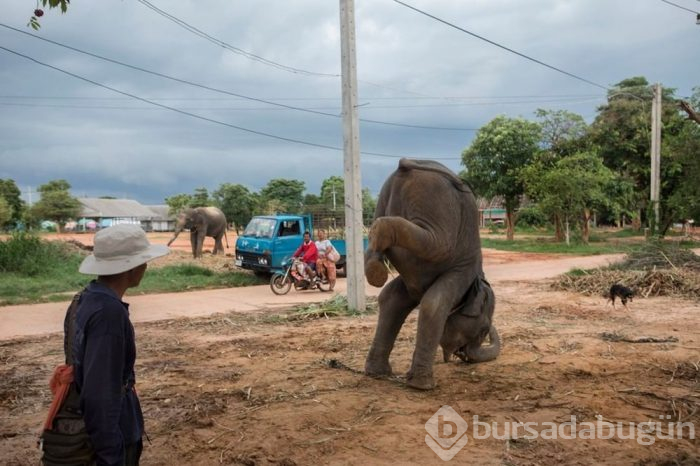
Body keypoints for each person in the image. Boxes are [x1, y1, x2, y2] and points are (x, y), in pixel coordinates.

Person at [73, 224, 169, 465]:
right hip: (113, 433)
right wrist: (109, 454)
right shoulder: (109, 314)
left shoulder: (85, 298)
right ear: (132, 267)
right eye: (144, 260)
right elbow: (100, 393)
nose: (146, 266)